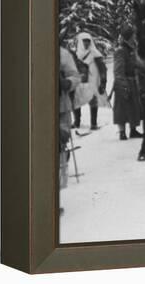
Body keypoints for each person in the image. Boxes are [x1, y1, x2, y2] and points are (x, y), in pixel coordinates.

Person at [59, 46, 80, 215]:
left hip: (59, 108)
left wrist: (67, 83)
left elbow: (75, 76)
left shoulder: (62, 53)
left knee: (59, 148)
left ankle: (53, 197)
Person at [112, 23, 143, 141]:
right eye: (133, 36)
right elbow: (118, 70)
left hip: (132, 81)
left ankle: (133, 130)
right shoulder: (121, 51)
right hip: (123, 82)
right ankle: (122, 132)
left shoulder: (132, 49)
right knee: (122, 108)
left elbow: (135, 64)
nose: (135, 37)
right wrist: (123, 84)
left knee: (133, 107)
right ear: (128, 37)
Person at [72, 33, 107, 130]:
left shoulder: (95, 53)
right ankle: (77, 122)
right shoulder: (76, 54)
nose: (86, 43)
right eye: (84, 41)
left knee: (92, 99)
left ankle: (93, 124)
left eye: (88, 41)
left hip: (93, 80)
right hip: (80, 81)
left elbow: (103, 69)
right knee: (77, 100)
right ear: (80, 42)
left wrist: (103, 82)